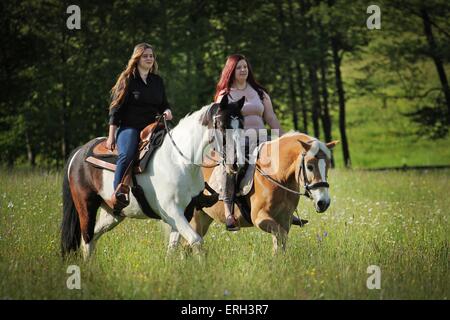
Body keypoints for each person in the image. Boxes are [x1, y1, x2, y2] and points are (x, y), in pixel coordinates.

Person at [214, 54, 285, 231]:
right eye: (239, 67)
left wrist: (282, 138)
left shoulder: (260, 93)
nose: (243, 70)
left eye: (245, 67)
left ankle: (288, 210)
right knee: (230, 165)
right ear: (231, 70)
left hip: (262, 139)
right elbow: (219, 121)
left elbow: (271, 117)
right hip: (237, 140)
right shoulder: (225, 95)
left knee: (285, 167)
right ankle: (229, 213)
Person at [106, 43, 172, 210]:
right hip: (130, 127)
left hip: (154, 127)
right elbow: (115, 109)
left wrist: (167, 111)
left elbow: (164, 104)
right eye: (145, 56)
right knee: (127, 155)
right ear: (137, 59)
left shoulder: (157, 81)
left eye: (151, 56)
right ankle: (118, 192)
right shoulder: (127, 79)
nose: (149, 58)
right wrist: (111, 135)